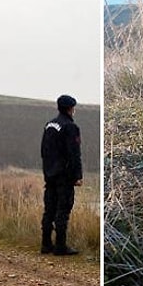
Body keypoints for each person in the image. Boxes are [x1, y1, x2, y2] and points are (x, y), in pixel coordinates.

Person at [40, 94, 83, 256]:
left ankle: (45, 244)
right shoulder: (70, 127)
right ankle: (60, 246)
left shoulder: (49, 125)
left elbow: (43, 151)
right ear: (71, 109)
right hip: (64, 175)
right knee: (63, 210)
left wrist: (47, 170)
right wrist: (77, 175)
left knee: (49, 209)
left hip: (50, 173)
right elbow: (74, 153)